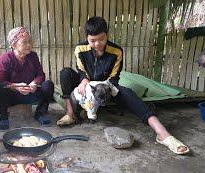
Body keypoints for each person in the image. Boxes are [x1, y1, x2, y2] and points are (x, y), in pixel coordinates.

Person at [57, 16, 189, 155]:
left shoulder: (117, 51)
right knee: (65, 73)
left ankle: (162, 134)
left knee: (128, 93)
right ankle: (70, 114)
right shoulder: (80, 49)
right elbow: (81, 70)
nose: (97, 44)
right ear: (87, 38)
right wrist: (84, 81)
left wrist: (102, 88)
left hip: (107, 87)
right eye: (92, 41)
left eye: (101, 39)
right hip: (86, 86)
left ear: (107, 35)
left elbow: (114, 78)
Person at [0, 27, 54, 130]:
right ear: (13, 45)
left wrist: (34, 84)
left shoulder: (33, 56)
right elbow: (2, 81)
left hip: (30, 92)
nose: (29, 45)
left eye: (29, 42)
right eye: (24, 42)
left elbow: (41, 75)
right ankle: (3, 116)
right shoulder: (5, 58)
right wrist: (16, 86)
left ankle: (40, 113)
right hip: (13, 96)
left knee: (48, 85)